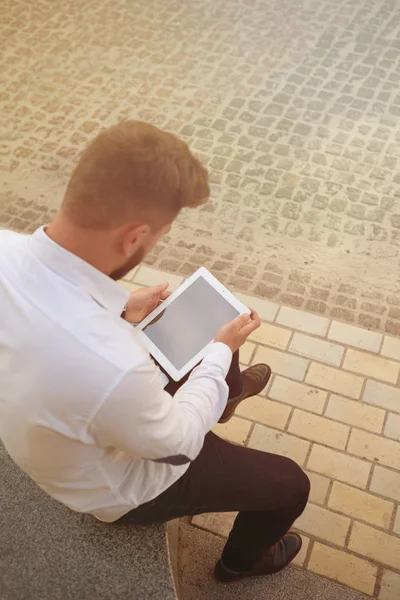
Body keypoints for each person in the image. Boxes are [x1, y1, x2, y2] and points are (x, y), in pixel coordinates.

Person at [0, 120, 309, 583]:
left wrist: (122, 306)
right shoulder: (112, 366)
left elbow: (53, 306)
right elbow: (179, 443)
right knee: (291, 484)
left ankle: (226, 395)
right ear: (133, 236)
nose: (157, 241)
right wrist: (221, 352)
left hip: (62, 427)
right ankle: (239, 564)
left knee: (202, 337)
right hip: (120, 489)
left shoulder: (6, 250)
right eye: (160, 234)